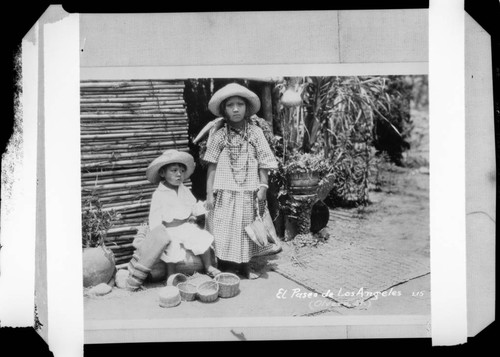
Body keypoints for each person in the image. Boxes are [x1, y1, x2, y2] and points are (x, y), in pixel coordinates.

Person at [203, 83, 279, 279]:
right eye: (230, 105)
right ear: (224, 110)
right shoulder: (219, 135)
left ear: (246, 108)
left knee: (246, 228)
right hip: (224, 191)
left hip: (248, 190)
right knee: (223, 227)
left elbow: (264, 161)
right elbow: (211, 165)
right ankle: (224, 263)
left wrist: (263, 186)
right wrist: (208, 194)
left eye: (240, 104)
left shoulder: (255, 132)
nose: (235, 109)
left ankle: (245, 264)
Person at [145, 149, 221, 279]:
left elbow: (193, 207)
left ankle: (208, 266)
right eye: (174, 170)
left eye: (181, 171)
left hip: (185, 226)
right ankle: (171, 275)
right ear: (163, 173)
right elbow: (155, 219)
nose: (179, 174)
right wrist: (159, 234)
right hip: (169, 229)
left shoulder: (185, 190)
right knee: (172, 247)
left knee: (203, 237)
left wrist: (204, 206)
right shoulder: (159, 194)